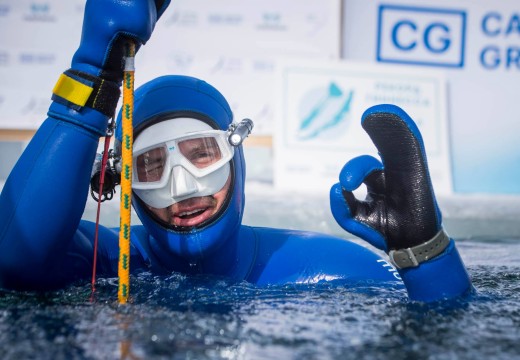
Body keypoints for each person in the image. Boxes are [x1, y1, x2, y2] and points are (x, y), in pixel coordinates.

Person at [0, 0, 471, 303]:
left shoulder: (330, 270)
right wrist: (91, 74)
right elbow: (15, 259)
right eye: (152, 165)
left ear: (235, 156)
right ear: (123, 181)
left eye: (201, 153)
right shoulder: (103, 262)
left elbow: (449, 339)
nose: (180, 187)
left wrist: (425, 256)